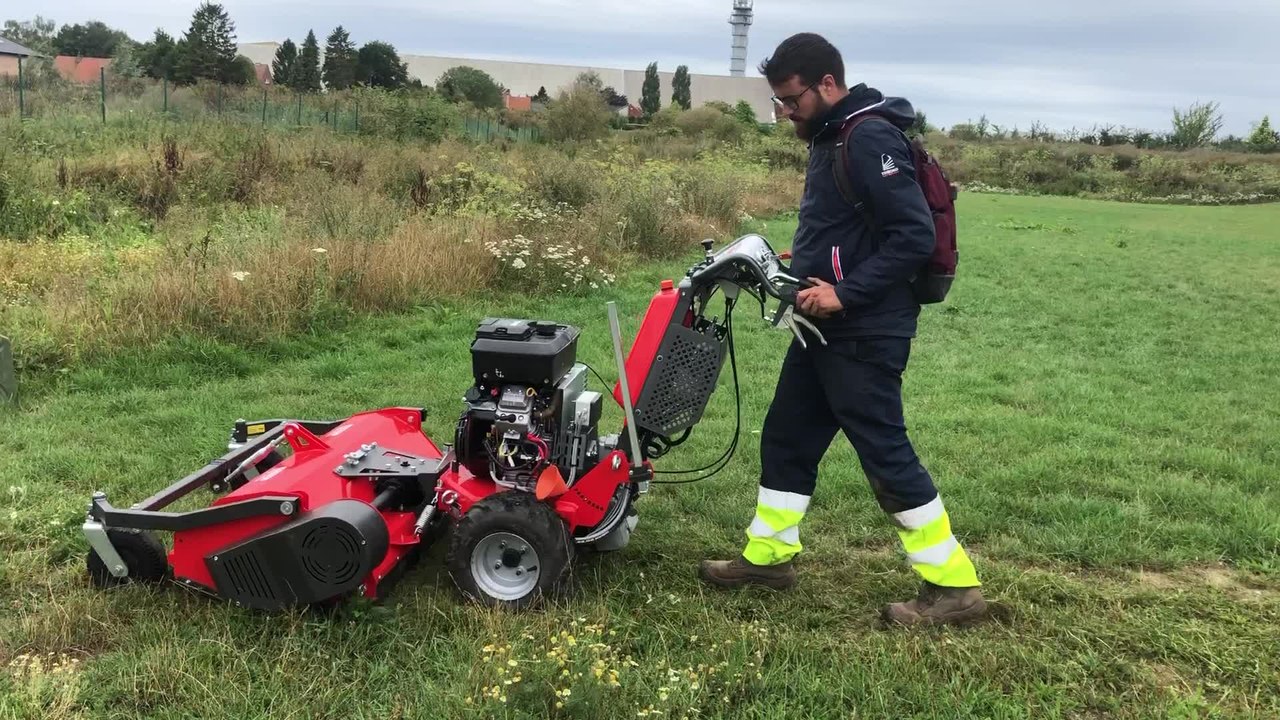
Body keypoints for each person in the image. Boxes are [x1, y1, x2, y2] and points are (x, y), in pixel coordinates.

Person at [697, 32, 988, 627]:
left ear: (827, 84)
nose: (784, 112)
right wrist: (805, 264)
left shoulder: (869, 136)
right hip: (821, 327)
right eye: (779, 101)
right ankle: (769, 558)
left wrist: (844, 290)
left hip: (863, 329)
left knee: (884, 450)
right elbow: (851, 229)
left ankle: (954, 586)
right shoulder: (832, 134)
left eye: (791, 99)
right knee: (787, 437)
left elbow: (913, 236)